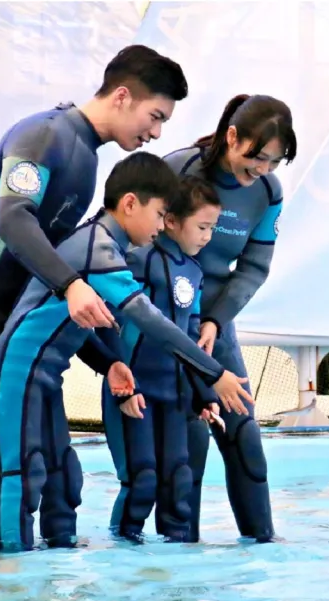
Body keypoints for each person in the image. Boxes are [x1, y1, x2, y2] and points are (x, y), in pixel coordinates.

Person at [0, 44, 189, 548]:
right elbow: (12, 219)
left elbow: (50, 276)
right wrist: (71, 285)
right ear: (121, 96)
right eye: (155, 116)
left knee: (31, 459)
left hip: (8, 322)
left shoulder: (87, 161)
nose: (156, 133)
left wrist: (103, 360)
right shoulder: (44, 134)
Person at [0, 151, 253, 552]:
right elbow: (150, 320)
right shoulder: (99, 248)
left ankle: (52, 574)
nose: (162, 226)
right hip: (17, 372)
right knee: (24, 473)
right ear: (130, 204)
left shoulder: (105, 244)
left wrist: (109, 363)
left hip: (44, 376)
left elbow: (62, 324)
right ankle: (13, 580)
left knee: (63, 477)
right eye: (160, 215)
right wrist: (215, 373)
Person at [163, 94, 297, 543]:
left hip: (215, 324)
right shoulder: (179, 171)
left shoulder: (267, 193)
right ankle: (182, 557)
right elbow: (139, 248)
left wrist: (215, 321)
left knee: (245, 438)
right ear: (232, 136)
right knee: (191, 442)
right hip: (166, 322)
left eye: (274, 162)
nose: (261, 168)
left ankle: (263, 549)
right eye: (256, 156)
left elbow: (254, 268)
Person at [101, 174, 223, 543]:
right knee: (143, 480)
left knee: (177, 477)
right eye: (202, 226)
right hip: (134, 391)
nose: (207, 237)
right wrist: (123, 388)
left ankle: (176, 572)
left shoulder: (195, 271)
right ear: (170, 221)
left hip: (174, 394)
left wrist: (203, 393)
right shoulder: (139, 260)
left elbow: (188, 338)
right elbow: (111, 323)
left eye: (212, 228)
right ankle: (123, 555)